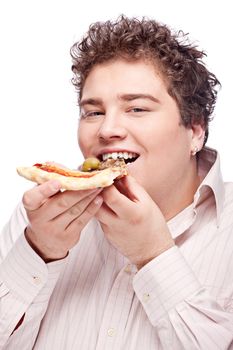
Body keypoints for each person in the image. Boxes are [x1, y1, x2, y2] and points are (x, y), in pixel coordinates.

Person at [0, 15, 233, 350]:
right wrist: (40, 252)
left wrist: (153, 255)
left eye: (137, 109)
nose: (107, 130)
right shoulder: (37, 220)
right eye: (93, 112)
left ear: (195, 129)